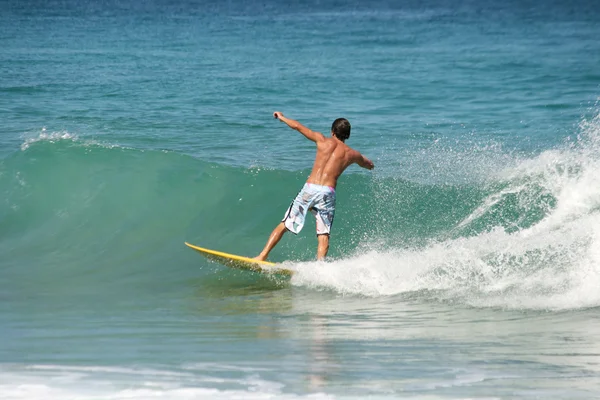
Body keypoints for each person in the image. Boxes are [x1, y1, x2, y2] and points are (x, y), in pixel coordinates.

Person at [254, 111, 374, 261]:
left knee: (285, 224)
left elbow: (297, 126)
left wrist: (282, 117)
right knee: (323, 235)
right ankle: (319, 268)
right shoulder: (352, 154)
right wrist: (370, 166)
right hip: (328, 193)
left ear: (332, 131)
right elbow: (367, 164)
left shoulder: (322, 140)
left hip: (311, 188)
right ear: (348, 135)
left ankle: (262, 256)